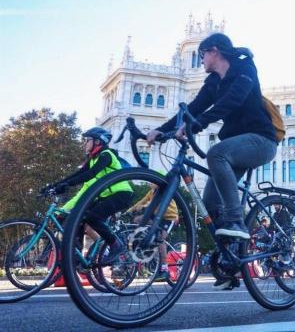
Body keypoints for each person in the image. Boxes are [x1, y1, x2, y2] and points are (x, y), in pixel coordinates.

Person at [147, 33, 278, 242]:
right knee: (210, 203)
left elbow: (233, 99)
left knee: (215, 153)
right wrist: (162, 130)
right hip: (235, 148)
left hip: (261, 140)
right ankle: (230, 256)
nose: (201, 60)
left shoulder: (245, 67)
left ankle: (236, 220)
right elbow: (194, 108)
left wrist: (198, 123)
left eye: (202, 54)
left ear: (214, 51)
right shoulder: (213, 81)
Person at [45, 127, 134, 265]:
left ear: (98, 141)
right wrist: (54, 186)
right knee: (78, 218)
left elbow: (91, 174)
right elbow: (76, 175)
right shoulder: (93, 159)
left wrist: (67, 185)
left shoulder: (107, 155)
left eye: (87, 140)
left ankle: (116, 245)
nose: (84, 143)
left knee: (92, 218)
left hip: (121, 194)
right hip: (105, 196)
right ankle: (77, 256)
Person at [127, 182, 179, 281]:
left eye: (152, 182)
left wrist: (144, 207)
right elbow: (142, 201)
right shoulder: (151, 192)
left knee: (160, 240)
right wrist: (130, 210)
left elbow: (156, 203)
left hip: (169, 217)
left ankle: (164, 269)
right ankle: (143, 239)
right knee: (137, 220)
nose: (149, 183)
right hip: (156, 216)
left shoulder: (164, 191)